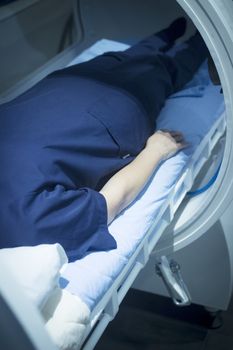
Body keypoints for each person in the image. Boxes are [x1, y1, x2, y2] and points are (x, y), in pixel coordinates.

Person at [0, 18, 209, 261]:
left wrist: (156, 150)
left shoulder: (25, 226)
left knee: (165, 71)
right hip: (61, 89)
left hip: (109, 112)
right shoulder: (26, 222)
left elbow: (112, 200)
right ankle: (169, 37)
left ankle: (197, 40)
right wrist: (156, 151)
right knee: (120, 60)